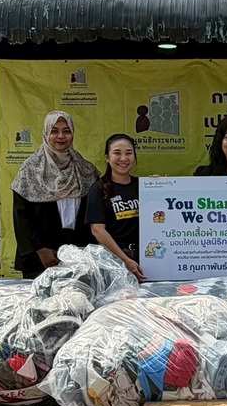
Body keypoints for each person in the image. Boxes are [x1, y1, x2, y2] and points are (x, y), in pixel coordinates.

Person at [10, 111, 99, 278]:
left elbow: (93, 215)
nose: (61, 136)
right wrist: (39, 249)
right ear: (46, 133)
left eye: (66, 131)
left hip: (78, 256)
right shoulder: (31, 169)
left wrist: (87, 252)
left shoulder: (85, 169)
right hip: (41, 258)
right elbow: (21, 217)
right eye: (54, 131)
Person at [85, 133, 144, 280]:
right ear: (107, 157)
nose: (123, 158)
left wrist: (161, 188)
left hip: (145, 258)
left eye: (129, 153)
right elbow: (98, 230)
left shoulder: (143, 186)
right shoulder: (98, 189)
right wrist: (125, 260)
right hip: (114, 263)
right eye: (117, 153)